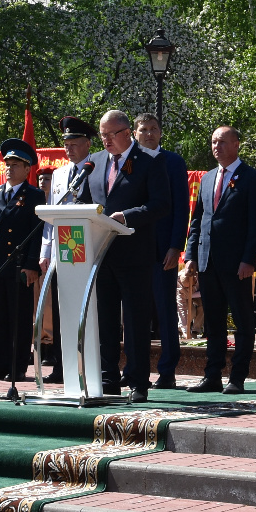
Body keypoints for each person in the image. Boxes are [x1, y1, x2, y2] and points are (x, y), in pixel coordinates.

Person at [78, 110, 171, 402]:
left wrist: (127, 217)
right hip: (100, 254)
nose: (105, 140)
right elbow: (83, 200)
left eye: (110, 134)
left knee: (135, 320)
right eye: (102, 135)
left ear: (126, 132)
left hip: (134, 255)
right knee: (105, 321)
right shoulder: (95, 162)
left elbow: (161, 205)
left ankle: (137, 381)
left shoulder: (148, 163)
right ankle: (108, 378)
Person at [181, 125, 256, 394]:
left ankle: (237, 377)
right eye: (213, 142)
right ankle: (212, 375)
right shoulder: (207, 179)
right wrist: (191, 255)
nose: (216, 146)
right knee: (214, 322)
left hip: (237, 264)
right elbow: (198, 221)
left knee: (242, 321)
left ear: (236, 144)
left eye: (222, 141)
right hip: (208, 262)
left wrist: (249, 260)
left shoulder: (252, 178)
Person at [0, 138, 45, 382]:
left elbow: (38, 233)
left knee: (19, 318)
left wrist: (32, 264)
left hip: (19, 266)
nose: (9, 169)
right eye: (7, 164)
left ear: (27, 169)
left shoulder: (34, 195)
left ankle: (17, 366)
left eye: (15, 165)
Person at [38, 115, 97, 383]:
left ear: (87, 144)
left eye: (74, 142)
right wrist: (45, 252)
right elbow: (52, 217)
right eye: (66, 143)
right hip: (64, 250)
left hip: (89, 249)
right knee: (63, 308)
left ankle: (91, 364)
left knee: (88, 309)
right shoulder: (60, 174)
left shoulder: (96, 169)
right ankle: (62, 366)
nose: (69, 148)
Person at [134, 112, 189, 390]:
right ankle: (134, 370)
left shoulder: (173, 162)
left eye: (154, 129)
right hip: (131, 249)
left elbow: (181, 206)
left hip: (161, 250)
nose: (149, 134)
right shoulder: (126, 162)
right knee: (134, 313)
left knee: (165, 311)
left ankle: (167, 370)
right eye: (143, 129)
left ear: (161, 133)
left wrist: (175, 246)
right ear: (135, 133)